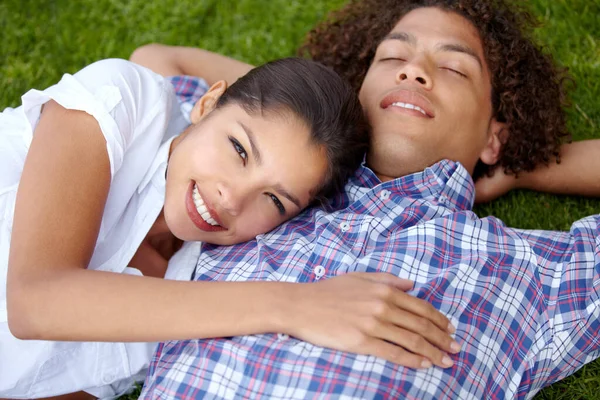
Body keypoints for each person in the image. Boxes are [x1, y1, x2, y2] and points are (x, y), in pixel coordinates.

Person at [135, 0, 600, 399]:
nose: (413, 70)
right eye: (392, 57)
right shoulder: (262, 185)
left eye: (455, 68)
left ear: (494, 135)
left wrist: (523, 163)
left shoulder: (528, 270)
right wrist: (321, 111)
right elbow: (158, 59)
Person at [0, 56, 443, 399]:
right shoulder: (126, 100)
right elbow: (35, 299)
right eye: (239, 149)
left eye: (274, 199)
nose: (231, 199)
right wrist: (293, 306)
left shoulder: (200, 285)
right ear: (208, 103)